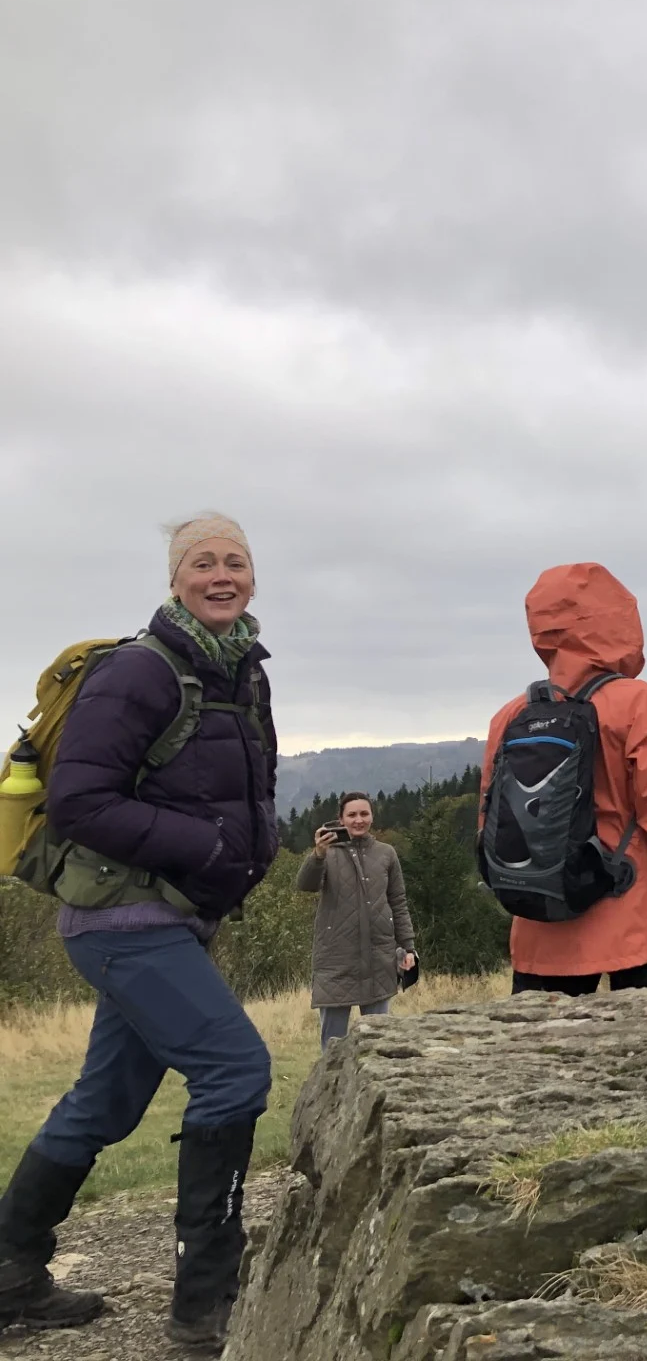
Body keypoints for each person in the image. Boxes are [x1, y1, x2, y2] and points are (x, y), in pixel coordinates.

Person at [0, 513, 276, 1351]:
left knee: (106, 1101)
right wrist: (210, 847)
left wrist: (234, 861)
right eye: (203, 562)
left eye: (235, 562)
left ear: (253, 579)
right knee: (235, 1071)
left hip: (173, 916)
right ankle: (204, 1306)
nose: (220, 574)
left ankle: (10, 1275)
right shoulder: (139, 671)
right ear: (175, 579)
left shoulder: (239, 672)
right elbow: (82, 800)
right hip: (122, 915)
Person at [483, 563, 647, 996]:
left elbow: (490, 823)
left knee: (543, 1061)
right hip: (639, 922)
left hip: (544, 922)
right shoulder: (638, 703)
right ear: (618, 620)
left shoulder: (511, 716)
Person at [296, 792, 415, 1049]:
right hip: (336, 961)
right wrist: (316, 855)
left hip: (379, 959)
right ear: (341, 819)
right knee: (333, 1045)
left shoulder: (386, 853)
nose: (358, 820)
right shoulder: (327, 853)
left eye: (364, 814)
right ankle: (329, 1089)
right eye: (351, 815)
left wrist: (408, 947)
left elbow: (398, 902)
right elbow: (305, 885)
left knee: (379, 1044)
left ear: (372, 816)